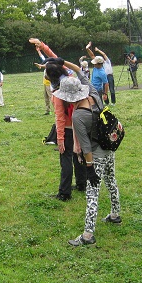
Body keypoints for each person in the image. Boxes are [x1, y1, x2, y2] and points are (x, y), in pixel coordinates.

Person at [48, 61, 121, 247]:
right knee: (111, 180)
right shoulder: (93, 93)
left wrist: (89, 169)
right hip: (109, 147)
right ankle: (115, 214)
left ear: (68, 97)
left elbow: (86, 147)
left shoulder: (78, 116)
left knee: (92, 194)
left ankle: (88, 235)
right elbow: (80, 71)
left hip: (95, 154)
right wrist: (63, 62)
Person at [29, 38, 86, 200]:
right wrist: (43, 46)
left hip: (68, 129)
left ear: (51, 78)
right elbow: (57, 59)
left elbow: (60, 118)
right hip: (80, 125)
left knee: (66, 158)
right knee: (78, 154)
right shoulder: (70, 76)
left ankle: (64, 193)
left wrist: (59, 139)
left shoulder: (58, 94)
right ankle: (82, 183)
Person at [35, 45, 54, 115]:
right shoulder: (47, 62)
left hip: (49, 83)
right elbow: (42, 57)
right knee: (46, 98)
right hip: (45, 83)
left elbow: (45, 65)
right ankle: (48, 110)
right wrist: (38, 51)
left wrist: (40, 65)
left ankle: (56, 110)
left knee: (51, 97)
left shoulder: (51, 65)